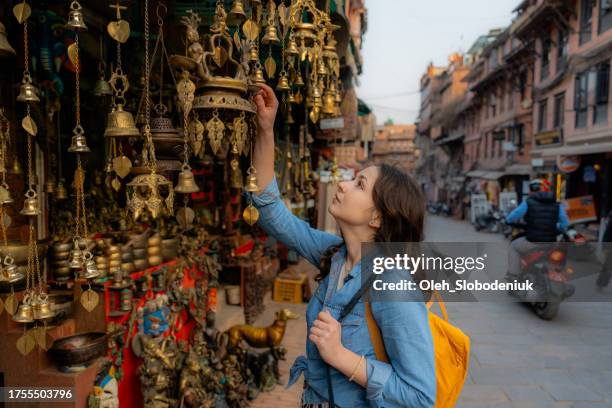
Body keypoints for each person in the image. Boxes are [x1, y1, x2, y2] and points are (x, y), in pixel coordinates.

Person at [246, 84, 436, 407]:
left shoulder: (392, 283)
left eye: (359, 184)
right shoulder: (334, 254)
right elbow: (270, 211)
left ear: (377, 217)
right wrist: (266, 130)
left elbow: (420, 397)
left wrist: (341, 356)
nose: (344, 184)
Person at [505, 179, 569, 279]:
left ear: (531, 190)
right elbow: (565, 224)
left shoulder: (528, 202)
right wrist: (557, 228)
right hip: (551, 243)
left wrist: (509, 221)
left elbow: (511, 218)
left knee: (513, 247)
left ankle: (514, 275)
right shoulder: (557, 204)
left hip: (532, 242)